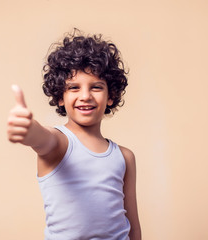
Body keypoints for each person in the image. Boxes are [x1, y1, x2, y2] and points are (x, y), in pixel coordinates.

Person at [7, 29, 142, 240]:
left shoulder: (125, 157)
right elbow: (41, 137)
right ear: (60, 96)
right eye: (74, 88)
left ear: (111, 96)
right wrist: (27, 128)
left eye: (96, 87)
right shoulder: (60, 144)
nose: (85, 96)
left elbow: (133, 226)